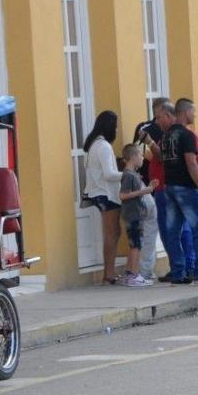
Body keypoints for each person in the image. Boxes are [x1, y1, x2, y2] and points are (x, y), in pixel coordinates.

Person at [160, 98, 198, 284]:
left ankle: (178, 272)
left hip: (169, 187)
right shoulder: (187, 135)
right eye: (193, 111)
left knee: (172, 231)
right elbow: (192, 163)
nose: (195, 115)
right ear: (185, 112)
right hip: (186, 187)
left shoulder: (166, 136)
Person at [142, 102, 195, 282]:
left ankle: (184, 267)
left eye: (158, 117)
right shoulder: (172, 136)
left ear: (168, 115)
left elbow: (163, 157)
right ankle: (183, 267)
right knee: (176, 230)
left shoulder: (177, 136)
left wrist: (149, 142)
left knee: (174, 230)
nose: (157, 121)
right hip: (169, 188)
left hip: (168, 188)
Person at [84, 111, 122, 285]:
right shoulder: (104, 146)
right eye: (115, 125)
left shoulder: (94, 144)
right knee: (111, 234)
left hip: (99, 193)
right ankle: (108, 274)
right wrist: (127, 174)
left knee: (112, 232)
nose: (117, 128)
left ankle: (109, 273)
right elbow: (109, 174)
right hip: (106, 193)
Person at [118, 144, 157, 287]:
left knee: (134, 244)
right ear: (133, 157)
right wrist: (144, 192)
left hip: (136, 214)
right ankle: (134, 276)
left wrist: (148, 187)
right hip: (133, 215)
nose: (142, 158)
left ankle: (129, 273)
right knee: (136, 245)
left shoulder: (133, 174)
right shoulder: (128, 175)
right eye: (140, 155)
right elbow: (123, 195)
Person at [132, 97, 169, 184]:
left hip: (168, 180)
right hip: (147, 177)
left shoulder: (173, 129)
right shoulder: (144, 128)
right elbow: (134, 153)